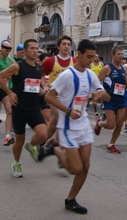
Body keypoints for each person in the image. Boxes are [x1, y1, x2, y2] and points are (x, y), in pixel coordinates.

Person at [41, 39, 109, 214]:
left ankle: (70, 200)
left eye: (94, 57)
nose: (91, 61)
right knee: (75, 168)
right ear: (78, 54)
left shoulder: (91, 75)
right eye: (88, 57)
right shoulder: (67, 75)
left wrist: (102, 94)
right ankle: (54, 148)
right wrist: (68, 110)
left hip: (84, 125)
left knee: (86, 165)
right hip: (67, 127)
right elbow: (49, 97)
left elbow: (105, 96)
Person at [0, 39, 47, 177]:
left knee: (43, 134)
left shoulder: (38, 67)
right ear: (25, 51)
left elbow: (36, 83)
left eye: (37, 48)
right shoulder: (17, 67)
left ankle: (31, 146)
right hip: (19, 108)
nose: (36, 51)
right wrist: (10, 93)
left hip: (34, 108)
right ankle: (16, 163)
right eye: (32, 48)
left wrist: (42, 89)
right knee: (19, 140)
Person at [94, 45, 127, 153]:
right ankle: (100, 123)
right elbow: (97, 80)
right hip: (110, 99)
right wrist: (99, 92)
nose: (121, 56)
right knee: (111, 124)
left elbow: (126, 85)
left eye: (122, 54)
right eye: (118, 54)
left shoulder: (124, 69)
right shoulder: (107, 68)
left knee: (120, 123)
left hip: (121, 99)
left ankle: (111, 144)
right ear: (113, 55)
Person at [41, 35, 77, 145]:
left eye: (69, 44)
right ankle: (58, 146)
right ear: (58, 46)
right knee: (59, 118)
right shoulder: (50, 61)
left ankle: (43, 142)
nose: (66, 47)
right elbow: (41, 75)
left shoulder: (75, 61)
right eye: (64, 44)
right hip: (55, 96)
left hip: (70, 96)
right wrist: (45, 86)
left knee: (54, 123)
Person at [89, 54, 104, 118]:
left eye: (98, 57)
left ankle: (102, 111)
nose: (97, 58)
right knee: (95, 98)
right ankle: (96, 113)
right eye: (95, 57)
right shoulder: (91, 65)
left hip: (100, 83)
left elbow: (104, 72)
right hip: (93, 84)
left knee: (101, 98)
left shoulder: (101, 64)